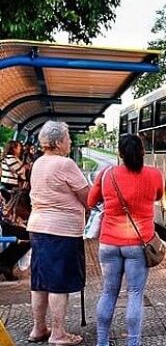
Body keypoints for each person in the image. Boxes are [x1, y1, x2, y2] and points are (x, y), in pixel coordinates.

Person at [88, 134, 163, 346]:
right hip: (139, 245)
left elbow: (91, 201)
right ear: (143, 152)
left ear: (119, 153)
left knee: (109, 292)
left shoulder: (106, 174)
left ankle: (102, 342)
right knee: (135, 293)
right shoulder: (154, 175)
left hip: (109, 243)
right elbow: (158, 196)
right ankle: (133, 342)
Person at [27, 121, 89, 345]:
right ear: (59, 141)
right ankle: (58, 333)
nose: (70, 141)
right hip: (61, 232)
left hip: (37, 228)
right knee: (58, 283)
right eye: (68, 138)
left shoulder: (38, 163)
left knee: (40, 281)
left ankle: (38, 328)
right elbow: (86, 196)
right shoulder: (65, 164)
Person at [0, 140, 30, 281]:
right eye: (19, 147)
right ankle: (4, 263)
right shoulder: (11, 159)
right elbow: (22, 172)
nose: (21, 149)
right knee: (26, 238)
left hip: (10, 208)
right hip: (11, 195)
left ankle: (6, 264)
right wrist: (25, 167)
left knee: (20, 235)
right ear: (13, 148)